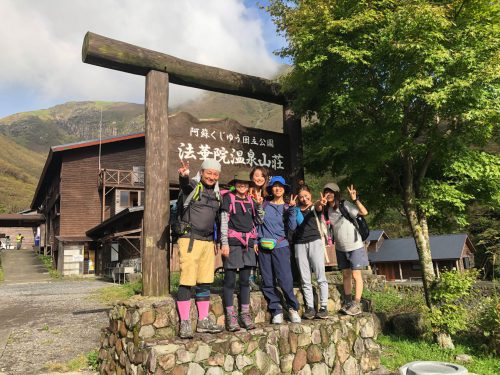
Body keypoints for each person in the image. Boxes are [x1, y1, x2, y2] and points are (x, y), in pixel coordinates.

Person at [176, 158, 224, 338]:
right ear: (202, 172)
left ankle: (203, 320)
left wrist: (218, 240)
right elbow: (185, 186)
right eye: (208, 173)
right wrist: (183, 176)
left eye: (215, 174)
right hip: (190, 239)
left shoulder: (217, 194)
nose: (211, 177)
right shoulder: (194, 186)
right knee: (187, 280)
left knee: (205, 280)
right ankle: (185, 322)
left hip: (208, 241)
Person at [220, 171, 264, 331]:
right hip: (232, 243)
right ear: (235, 183)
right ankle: (231, 316)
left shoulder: (252, 201)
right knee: (230, 280)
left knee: (245, 281)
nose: (242, 185)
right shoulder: (228, 198)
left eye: (245, 183)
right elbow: (224, 222)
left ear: (249, 186)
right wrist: (224, 243)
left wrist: (259, 205)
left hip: (248, 243)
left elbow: (259, 220)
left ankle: (245, 314)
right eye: (239, 182)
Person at [256, 176, 301, 324]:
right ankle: (276, 310)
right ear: (271, 189)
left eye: (280, 186)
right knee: (267, 280)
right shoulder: (264, 205)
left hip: (281, 246)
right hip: (264, 247)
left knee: (285, 279)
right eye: (274, 186)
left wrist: (293, 209)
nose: (277, 188)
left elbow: (293, 227)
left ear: (284, 189)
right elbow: (258, 223)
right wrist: (256, 241)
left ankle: (293, 308)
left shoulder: (288, 207)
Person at [319, 182, 369, 316]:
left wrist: (355, 199)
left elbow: (364, 212)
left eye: (331, 192)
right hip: (340, 247)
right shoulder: (326, 209)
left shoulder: (344, 204)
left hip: (355, 245)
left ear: (336, 193)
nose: (328, 194)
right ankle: (348, 302)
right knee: (346, 274)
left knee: (356, 275)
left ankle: (357, 304)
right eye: (326, 192)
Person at [294, 185, 329, 319]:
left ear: (310, 194)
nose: (304, 198)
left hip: (315, 242)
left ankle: (324, 306)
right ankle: (310, 307)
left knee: (320, 275)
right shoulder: (295, 209)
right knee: (304, 277)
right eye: (301, 196)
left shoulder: (314, 207)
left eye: (306, 195)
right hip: (299, 244)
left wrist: (321, 202)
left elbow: (319, 206)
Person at [248, 166, 269, 290]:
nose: (259, 178)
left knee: (261, 257)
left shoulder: (267, 195)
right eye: (257, 175)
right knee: (250, 258)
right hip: (249, 230)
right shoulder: (246, 193)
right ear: (251, 177)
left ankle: (262, 280)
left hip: (263, 231)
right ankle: (249, 281)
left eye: (262, 176)